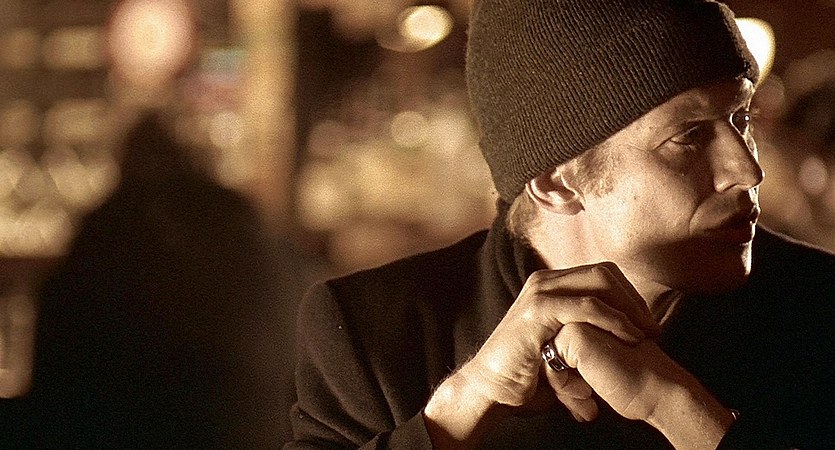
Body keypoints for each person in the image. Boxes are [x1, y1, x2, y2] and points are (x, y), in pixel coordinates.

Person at [287, 0, 835, 448]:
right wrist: (461, 407)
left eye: (741, 118)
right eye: (688, 137)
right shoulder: (377, 336)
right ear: (556, 182)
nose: (747, 169)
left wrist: (679, 410)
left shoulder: (818, 310)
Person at [26, 112, 311, 448]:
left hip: (132, 427)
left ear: (123, 164)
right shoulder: (236, 217)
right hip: (252, 426)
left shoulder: (114, 223)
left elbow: (59, 337)